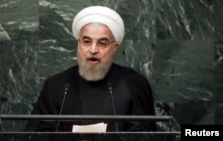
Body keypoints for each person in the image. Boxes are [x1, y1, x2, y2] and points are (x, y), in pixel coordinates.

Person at [25, 5, 156, 132]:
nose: (93, 50)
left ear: (114, 47)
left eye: (102, 43)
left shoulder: (134, 84)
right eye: (87, 42)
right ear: (78, 43)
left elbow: (143, 134)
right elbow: (38, 133)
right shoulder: (56, 85)